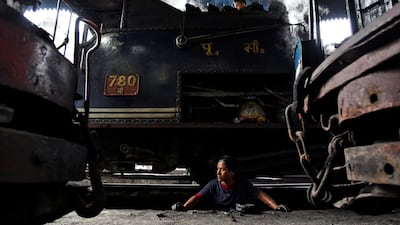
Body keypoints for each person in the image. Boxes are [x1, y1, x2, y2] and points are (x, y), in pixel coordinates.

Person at [171, 155, 290, 212]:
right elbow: (197, 198)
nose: (218, 172)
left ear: (232, 172)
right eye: (217, 169)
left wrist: (276, 206)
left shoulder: (243, 183)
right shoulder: (213, 184)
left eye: (222, 169)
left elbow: (261, 195)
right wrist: (184, 207)